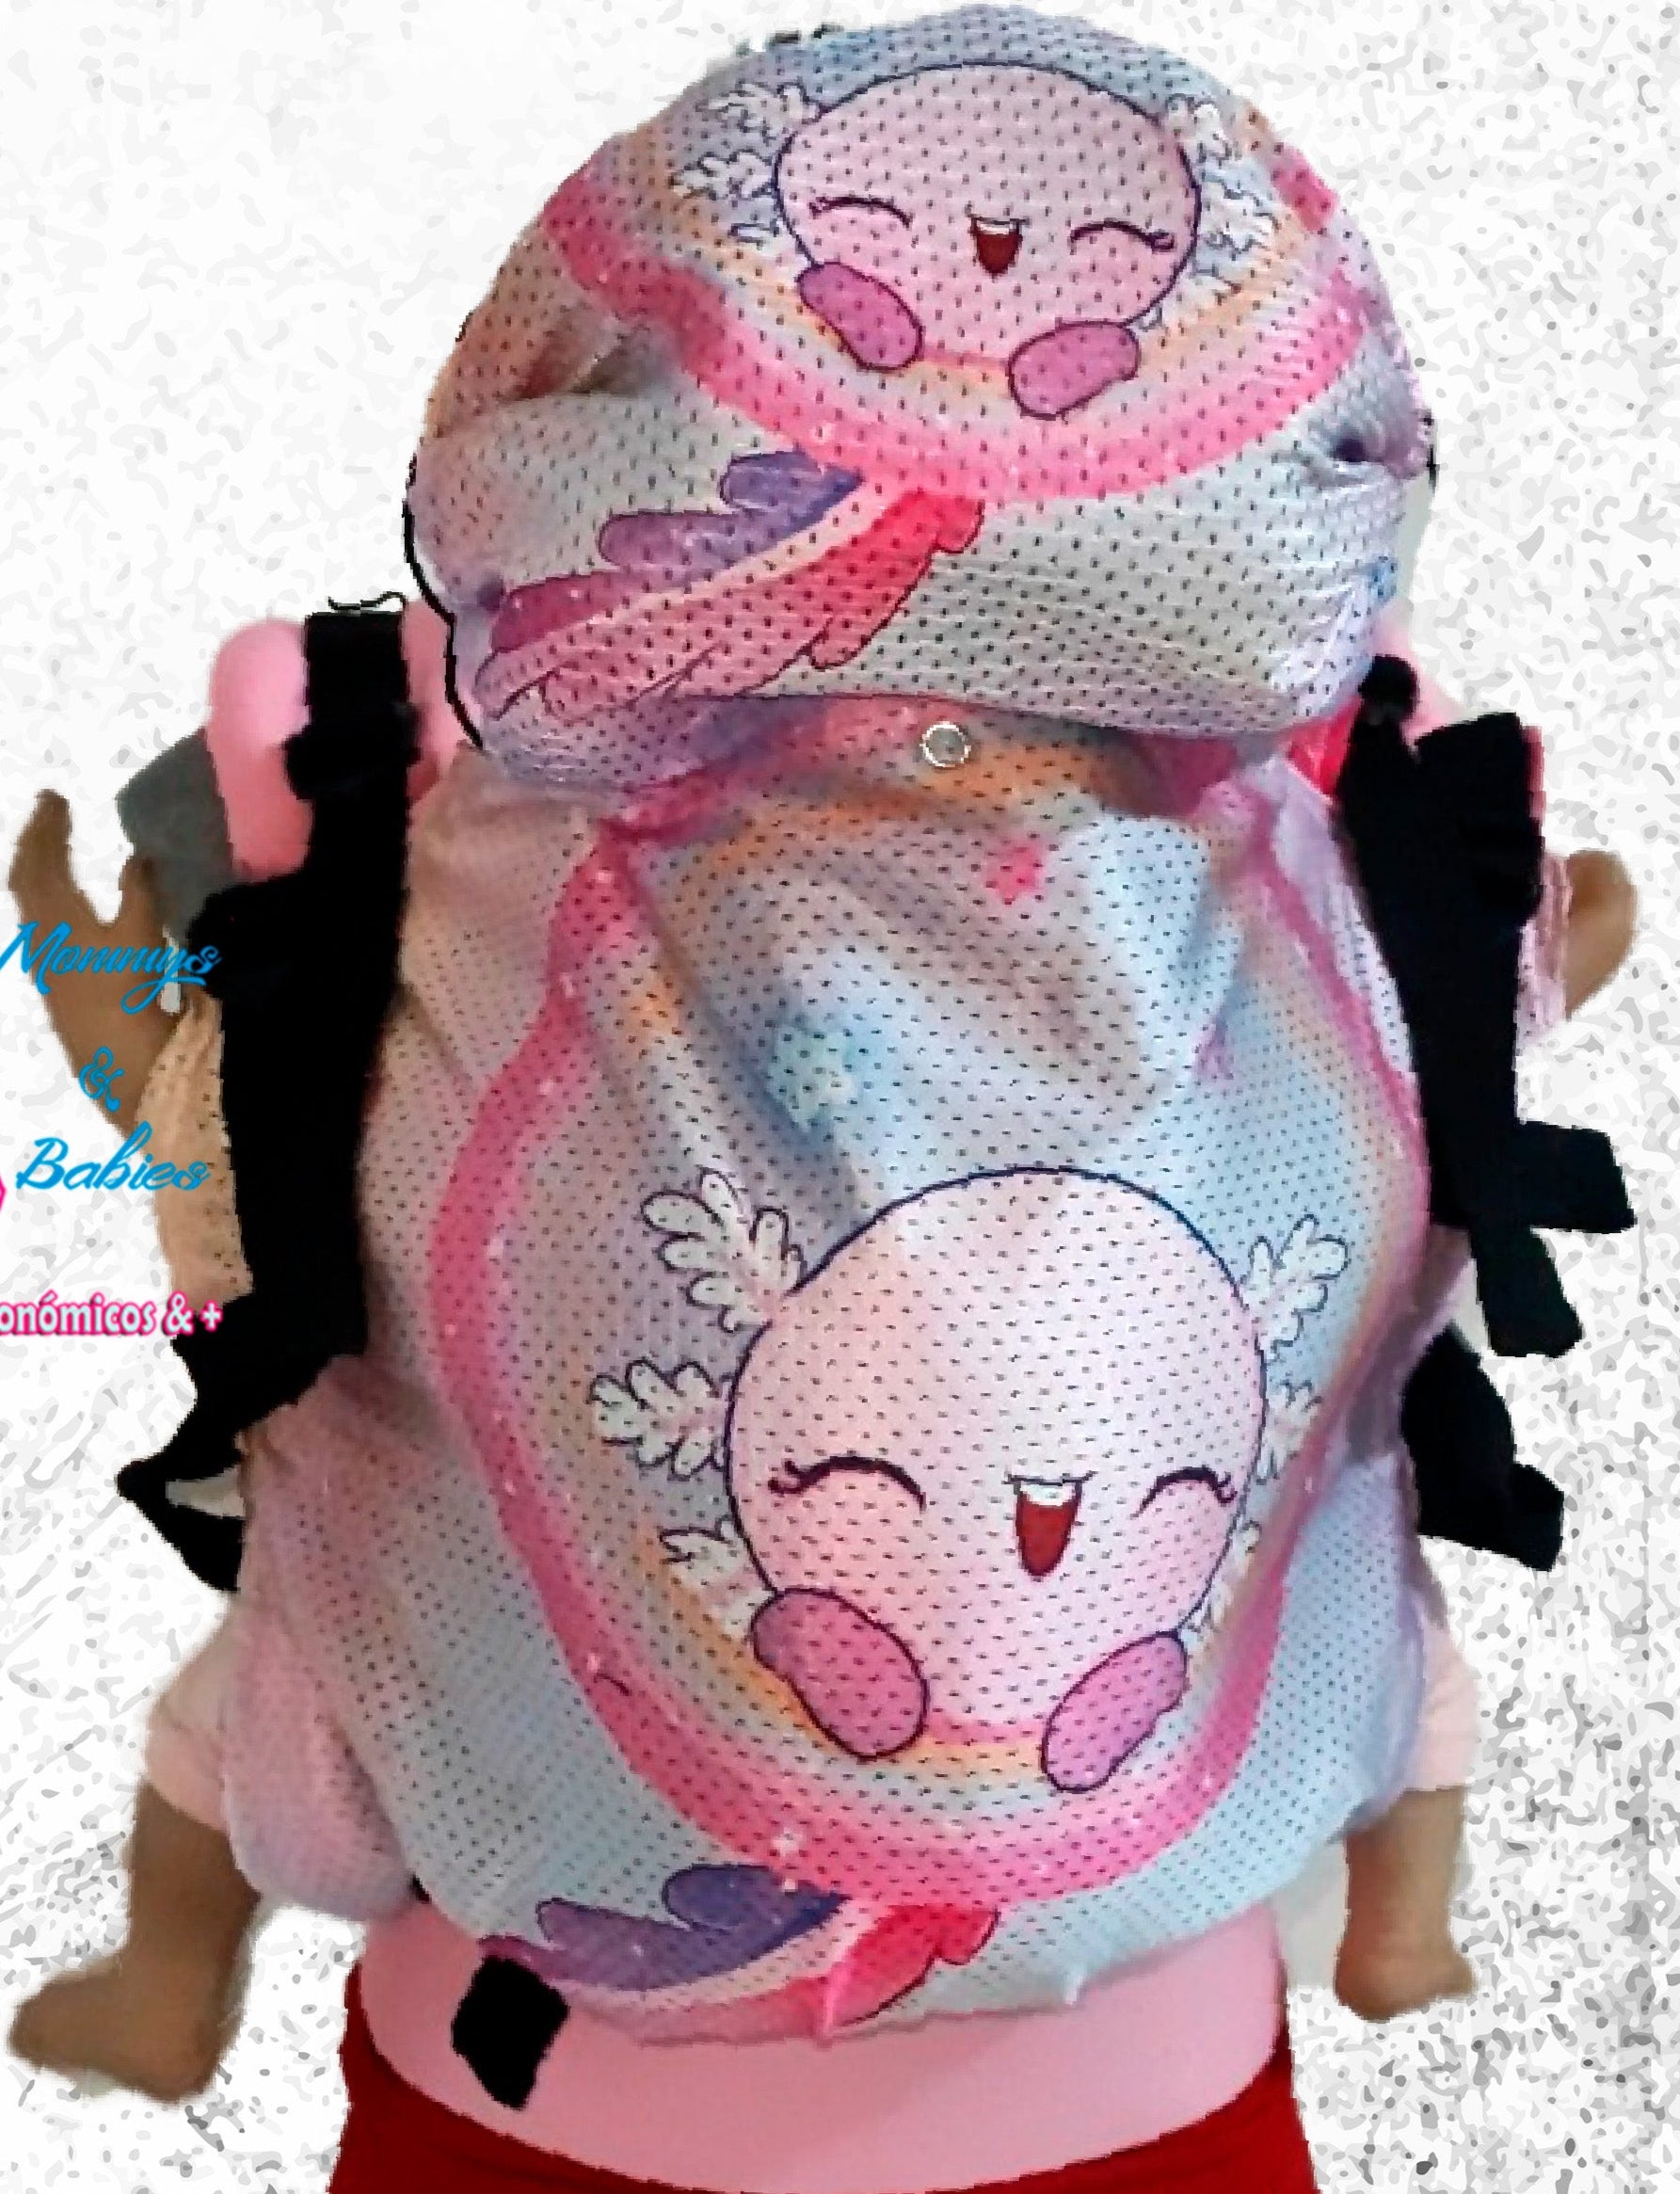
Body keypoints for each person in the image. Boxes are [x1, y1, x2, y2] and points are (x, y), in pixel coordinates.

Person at [5, 11, 1638, 2189]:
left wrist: (112, 1002)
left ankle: (165, 1971)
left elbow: (229, 1206)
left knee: (284, 1655)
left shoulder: (374, 777)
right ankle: (1396, 1927)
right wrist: (1539, 923)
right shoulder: (1349, 816)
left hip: (515, 2090)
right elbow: (1506, 1054)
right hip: (1147, 2090)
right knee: (1370, 1619)